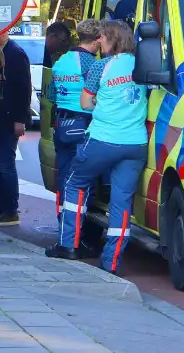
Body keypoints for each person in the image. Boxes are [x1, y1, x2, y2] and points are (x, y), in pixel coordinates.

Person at [46, 21, 148, 275]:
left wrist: (102, 103)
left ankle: (68, 244)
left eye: (103, 39)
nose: (99, 43)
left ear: (111, 39)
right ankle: (111, 263)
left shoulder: (101, 66)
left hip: (102, 139)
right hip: (136, 143)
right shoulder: (145, 66)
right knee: (122, 202)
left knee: (74, 183)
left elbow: (86, 102)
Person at [49, 20, 102, 215]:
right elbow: (97, 95)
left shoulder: (61, 61)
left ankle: (63, 219)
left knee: (63, 174)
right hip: (83, 123)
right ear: (96, 41)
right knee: (82, 178)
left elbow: (53, 95)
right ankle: (78, 228)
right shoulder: (91, 63)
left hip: (62, 123)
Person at [0, 31, 31, 226]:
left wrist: (20, 119)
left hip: (9, 118)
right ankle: (2, 208)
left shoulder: (16, 53)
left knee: (4, 163)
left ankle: (11, 210)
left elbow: (24, 89)